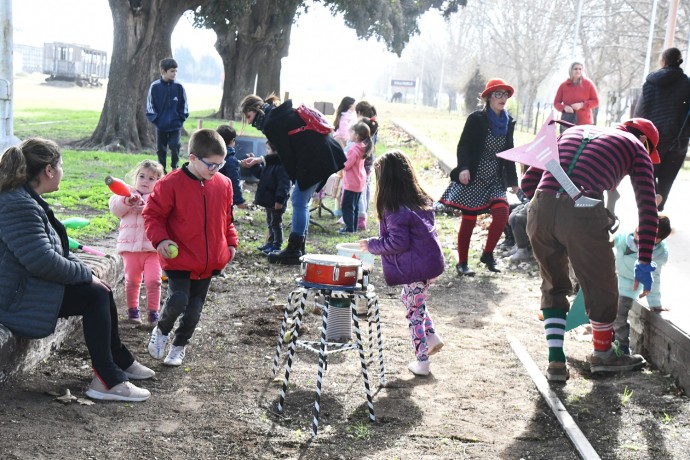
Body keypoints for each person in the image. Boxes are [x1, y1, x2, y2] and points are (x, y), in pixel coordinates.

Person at [0, 138, 154, 402]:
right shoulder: (18, 204)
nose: (61, 171)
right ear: (49, 170)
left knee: (100, 291)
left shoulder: (24, 197)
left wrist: (85, 274)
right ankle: (107, 380)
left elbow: (46, 252)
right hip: (13, 297)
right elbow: (41, 261)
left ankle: (118, 362)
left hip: (24, 284)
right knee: (94, 293)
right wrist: (86, 274)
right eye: (60, 166)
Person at [520, 118, 660, 382]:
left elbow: (529, 182)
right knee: (602, 284)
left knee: (553, 284)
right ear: (644, 141)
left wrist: (552, 210)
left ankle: (556, 363)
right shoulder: (636, 147)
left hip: (540, 208)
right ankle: (603, 355)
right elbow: (648, 208)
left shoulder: (572, 131)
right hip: (582, 211)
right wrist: (644, 260)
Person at [143, 129, 238, 366]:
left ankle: (179, 346)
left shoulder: (224, 184)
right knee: (178, 300)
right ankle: (161, 331)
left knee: (194, 309)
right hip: (180, 258)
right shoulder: (170, 184)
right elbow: (153, 216)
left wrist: (231, 243)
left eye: (221, 164)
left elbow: (227, 219)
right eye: (211, 165)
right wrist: (162, 240)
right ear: (193, 158)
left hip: (209, 261)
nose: (216, 170)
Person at [359, 150, 445, 376]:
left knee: (413, 311)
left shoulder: (395, 208)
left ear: (386, 180)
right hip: (427, 265)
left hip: (416, 268)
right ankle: (432, 336)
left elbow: (397, 243)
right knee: (412, 299)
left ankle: (422, 361)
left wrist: (371, 245)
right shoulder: (418, 200)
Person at [239, 94, 346, 265]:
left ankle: (294, 250)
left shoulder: (271, 123)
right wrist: (261, 160)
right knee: (300, 201)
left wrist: (293, 180)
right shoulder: (277, 114)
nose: (250, 122)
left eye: (249, 117)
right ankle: (298, 247)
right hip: (324, 153)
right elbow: (284, 153)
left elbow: (287, 157)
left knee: (298, 200)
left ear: (256, 110)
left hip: (316, 159)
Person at [439, 78, 519, 276]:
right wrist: (464, 167)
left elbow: (509, 151)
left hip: (495, 177)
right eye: (498, 94)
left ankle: (488, 254)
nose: (502, 98)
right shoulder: (477, 119)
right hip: (474, 175)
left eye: (505, 95)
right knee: (469, 219)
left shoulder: (509, 122)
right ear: (489, 98)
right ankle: (463, 263)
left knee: (502, 213)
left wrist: (514, 182)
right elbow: (463, 145)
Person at [108, 159, 165, 325]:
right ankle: (133, 311)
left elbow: (165, 214)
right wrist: (127, 201)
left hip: (152, 249)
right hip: (131, 249)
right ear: (135, 178)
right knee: (132, 281)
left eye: (151, 178)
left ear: (158, 182)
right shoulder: (125, 193)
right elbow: (115, 209)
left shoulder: (159, 198)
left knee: (154, 281)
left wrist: (147, 208)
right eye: (142, 176)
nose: (145, 181)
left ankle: (154, 313)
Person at [634, 47, 690, 211]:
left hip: (652, 140)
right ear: (679, 61)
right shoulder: (687, 84)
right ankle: (658, 211)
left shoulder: (650, 83)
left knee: (647, 176)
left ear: (663, 61)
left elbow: (640, 112)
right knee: (667, 180)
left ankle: (648, 209)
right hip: (677, 141)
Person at [613, 215, 671, 355]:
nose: (639, 233)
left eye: (646, 233)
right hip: (612, 280)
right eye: (640, 229)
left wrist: (655, 304)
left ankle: (622, 350)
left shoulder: (656, 254)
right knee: (605, 315)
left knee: (619, 317)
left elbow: (653, 278)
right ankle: (608, 343)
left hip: (628, 287)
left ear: (656, 240)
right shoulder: (622, 237)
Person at [146, 58, 189, 174]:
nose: (174, 74)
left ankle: (174, 167)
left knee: (175, 146)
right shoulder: (154, 87)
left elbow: (184, 105)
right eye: (172, 71)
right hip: (161, 126)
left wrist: (180, 119)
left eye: (176, 71)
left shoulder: (179, 87)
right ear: (163, 71)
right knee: (161, 149)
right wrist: (157, 120)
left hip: (175, 126)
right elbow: (150, 105)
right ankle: (161, 170)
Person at [251, 141, 292, 254]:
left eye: (268, 150)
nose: (266, 152)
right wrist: (254, 164)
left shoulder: (282, 167)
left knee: (276, 224)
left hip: (276, 202)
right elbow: (260, 174)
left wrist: (279, 200)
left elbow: (284, 186)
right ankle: (270, 242)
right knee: (270, 222)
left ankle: (277, 245)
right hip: (269, 201)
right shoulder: (269, 164)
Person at [340, 121, 373, 233]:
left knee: (347, 206)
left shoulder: (354, 149)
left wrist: (339, 161)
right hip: (359, 181)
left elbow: (347, 165)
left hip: (351, 182)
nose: (351, 135)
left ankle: (349, 228)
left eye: (352, 133)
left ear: (357, 135)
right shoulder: (363, 147)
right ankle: (352, 227)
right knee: (355, 207)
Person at [553, 62, 599, 129]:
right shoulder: (563, 85)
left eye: (580, 69)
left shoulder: (588, 84)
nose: (578, 71)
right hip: (567, 121)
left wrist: (582, 105)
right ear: (571, 70)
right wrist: (564, 107)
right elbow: (556, 103)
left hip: (585, 123)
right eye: (575, 69)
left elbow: (596, 101)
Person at [216, 124, 247, 209]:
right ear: (233, 140)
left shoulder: (212, 156)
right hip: (225, 197)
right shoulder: (231, 160)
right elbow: (233, 181)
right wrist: (239, 201)